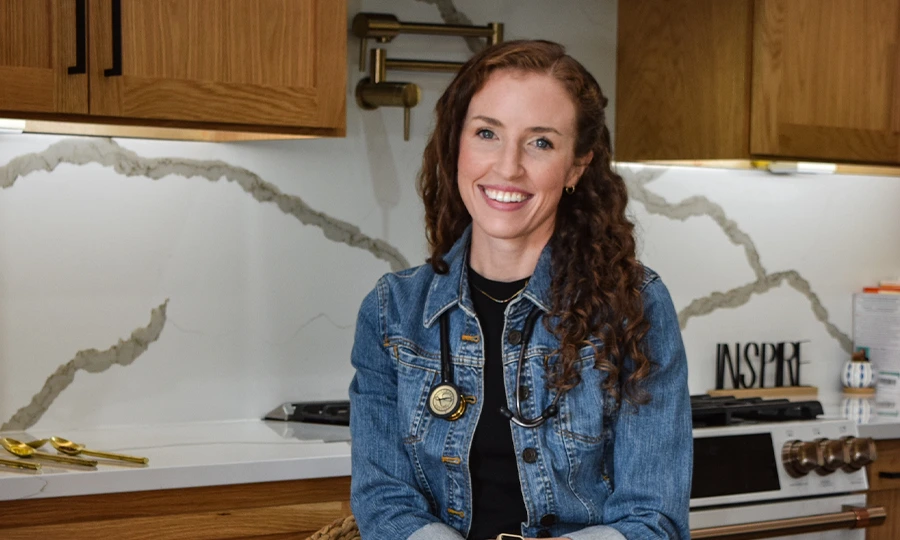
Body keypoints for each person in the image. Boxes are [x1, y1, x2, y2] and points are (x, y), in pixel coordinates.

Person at [349, 39, 692, 540]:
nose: (507, 167)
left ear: (576, 166)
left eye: (541, 142)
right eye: (487, 133)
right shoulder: (392, 310)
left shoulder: (634, 305)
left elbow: (653, 520)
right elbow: (385, 503)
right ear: (457, 144)